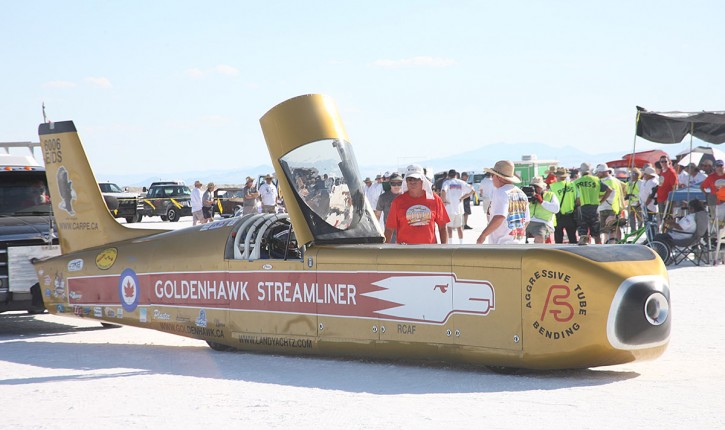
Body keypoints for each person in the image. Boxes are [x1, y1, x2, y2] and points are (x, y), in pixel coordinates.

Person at [385, 164, 449, 244]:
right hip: (405, 250)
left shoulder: (435, 199)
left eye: (416, 178)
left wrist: (444, 248)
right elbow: (389, 229)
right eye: (409, 179)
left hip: (429, 250)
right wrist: (384, 249)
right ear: (406, 181)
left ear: (422, 180)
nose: (412, 181)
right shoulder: (397, 202)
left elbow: (442, 227)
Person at [476, 160, 530, 245]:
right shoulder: (521, 194)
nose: (492, 178)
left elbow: (500, 217)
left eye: (493, 175)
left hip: (502, 245)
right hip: (519, 244)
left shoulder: (501, 192)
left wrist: (483, 235)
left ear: (499, 177)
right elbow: (527, 220)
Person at [573, 162, 611, 245]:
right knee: (596, 235)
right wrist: (601, 201)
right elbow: (609, 190)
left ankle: (584, 251)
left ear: (581, 171)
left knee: (583, 235)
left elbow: (575, 197)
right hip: (594, 209)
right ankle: (599, 250)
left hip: (582, 209)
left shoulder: (576, 182)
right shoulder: (596, 180)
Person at [441, 169, 473, 244]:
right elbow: (472, 190)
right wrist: (463, 197)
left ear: (448, 175)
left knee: (449, 227)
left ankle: (450, 243)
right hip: (459, 208)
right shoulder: (461, 182)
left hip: (449, 208)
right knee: (459, 227)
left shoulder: (447, 182)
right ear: (456, 175)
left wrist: (444, 201)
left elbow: (443, 191)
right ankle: (461, 243)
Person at [525, 176, 560, 243]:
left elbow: (556, 209)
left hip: (543, 223)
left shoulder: (550, 195)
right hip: (528, 222)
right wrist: (527, 201)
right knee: (520, 237)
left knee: (539, 236)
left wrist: (542, 202)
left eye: (537, 186)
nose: (534, 188)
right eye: (533, 186)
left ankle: (539, 249)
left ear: (542, 187)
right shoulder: (527, 195)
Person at [596, 163, 624, 243]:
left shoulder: (607, 181)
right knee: (615, 227)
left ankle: (609, 245)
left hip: (607, 207)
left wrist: (600, 200)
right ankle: (618, 243)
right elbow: (625, 187)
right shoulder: (615, 180)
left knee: (608, 229)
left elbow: (606, 193)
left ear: (603, 172)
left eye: (598, 172)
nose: (597, 174)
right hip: (615, 207)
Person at [549, 167, 577, 244]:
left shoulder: (552, 187)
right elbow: (578, 200)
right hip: (571, 215)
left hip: (558, 215)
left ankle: (559, 252)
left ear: (556, 176)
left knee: (558, 239)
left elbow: (549, 201)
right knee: (572, 238)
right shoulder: (572, 185)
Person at [375, 173, 404, 241]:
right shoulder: (383, 197)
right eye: (393, 183)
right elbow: (377, 215)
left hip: (405, 234)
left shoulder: (407, 197)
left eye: (399, 183)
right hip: (390, 236)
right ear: (390, 183)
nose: (396, 186)